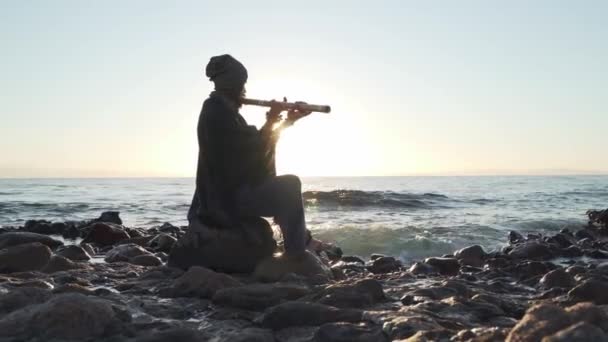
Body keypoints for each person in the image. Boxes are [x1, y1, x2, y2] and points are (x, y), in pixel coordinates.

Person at [185, 54, 313, 257]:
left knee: (286, 186)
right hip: (225, 201)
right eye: (242, 85)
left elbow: (257, 145)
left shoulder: (224, 111)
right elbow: (254, 149)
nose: (244, 90)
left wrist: (288, 121)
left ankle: (296, 242)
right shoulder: (217, 113)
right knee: (290, 185)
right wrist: (272, 120)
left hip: (226, 195)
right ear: (234, 85)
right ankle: (297, 255)